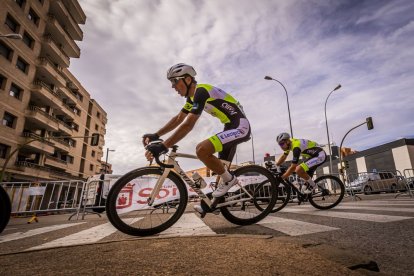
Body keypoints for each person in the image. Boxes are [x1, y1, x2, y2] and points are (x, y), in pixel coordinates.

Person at [142, 63, 251, 212]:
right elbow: (178, 119)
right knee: (220, 168)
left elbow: (188, 124)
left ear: (187, 79)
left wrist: (164, 145)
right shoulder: (192, 98)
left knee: (202, 149)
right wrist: (156, 135)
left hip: (240, 126)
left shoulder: (201, 91)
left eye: (175, 81)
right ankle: (214, 204)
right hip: (229, 126)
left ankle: (230, 180)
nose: (173, 87)